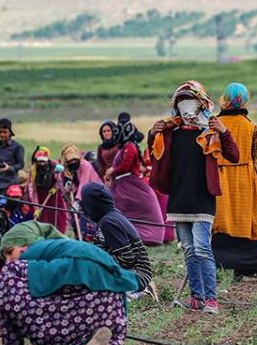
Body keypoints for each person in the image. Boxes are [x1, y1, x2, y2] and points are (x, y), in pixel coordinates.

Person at [149, 80, 240, 311]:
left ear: (201, 105)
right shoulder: (170, 132)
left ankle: (211, 298)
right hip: (179, 199)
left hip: (202, 198)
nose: (186, 107)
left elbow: (234, 155)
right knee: (189, 250)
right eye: (182, 102)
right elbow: (154, 156)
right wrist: (152, 134)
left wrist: (224, 132)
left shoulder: (209, 132)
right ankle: (196, 297)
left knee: (202, 248)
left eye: (191, 102)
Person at [0, 221, 138, 345]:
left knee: (8, 274)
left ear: (26, 243)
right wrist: (118, 335)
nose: (8, 260)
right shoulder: (73, 247)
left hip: (87, 296)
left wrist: (14, 327)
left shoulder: (35, 251)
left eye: (9, 252)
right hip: (110, 309)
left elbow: (39, 290)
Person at [211, 82, 257, 275]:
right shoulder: (251, 127)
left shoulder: (214, 124)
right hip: (245, 180)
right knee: (244, 220)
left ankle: (217, 263)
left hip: (220, 177)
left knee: (221, 219)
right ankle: (247, 267)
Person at [82, 183, 156, 300]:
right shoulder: (109, 217)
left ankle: (140, 292)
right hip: (131, 273)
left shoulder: (108, 222)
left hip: (136, 275)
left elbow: (127, 258)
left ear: (91, 204)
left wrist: (99, 262)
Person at [105, 114, 167, 246]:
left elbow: (125, 166)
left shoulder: (129, 147)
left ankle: (144, 235)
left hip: (128, 185)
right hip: (123, 184)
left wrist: (112, 170)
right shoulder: (126, 147)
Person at [24, 146, 69, 234]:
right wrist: (36, 207)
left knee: (59, 217)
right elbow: (32, 190)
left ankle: (60, 234)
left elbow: (61, 179)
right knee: (43, 218)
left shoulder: (55, 165)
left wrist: (56, 187)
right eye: (40, 161)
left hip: (54, 195)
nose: (42, 164)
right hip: (40, 196)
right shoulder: (33, 170)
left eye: (43, 161)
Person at [0, 118, 26, 193]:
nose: (2, 135)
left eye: (5, 132)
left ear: (10, 132)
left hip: (10, 184)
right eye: (0, 132)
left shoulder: (17, 147)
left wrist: (9, 168)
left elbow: (21, 164)